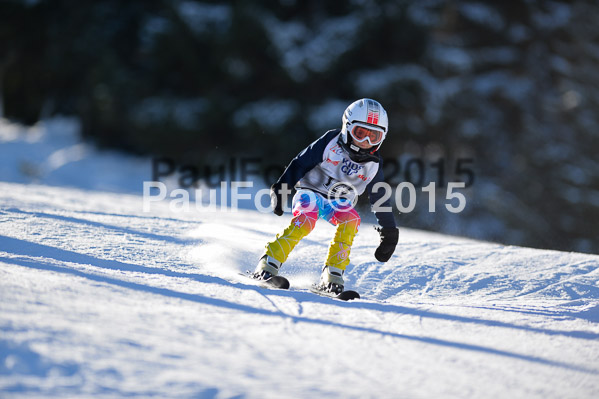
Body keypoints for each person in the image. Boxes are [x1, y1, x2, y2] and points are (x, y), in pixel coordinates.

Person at [254, 98, 399, 294]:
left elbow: (380, 198)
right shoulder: (330, 142)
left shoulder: (373, 164)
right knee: (306, 220)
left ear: (382, 138)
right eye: (360, 133)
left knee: (352, 220)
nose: (365, 142)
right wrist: (281, 188)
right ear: (347, 128)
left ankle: (332, 274)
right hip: (310, 193)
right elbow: (300, 163)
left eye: (373, 137)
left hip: (338, 202)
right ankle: (268, 264)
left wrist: (389, 231)